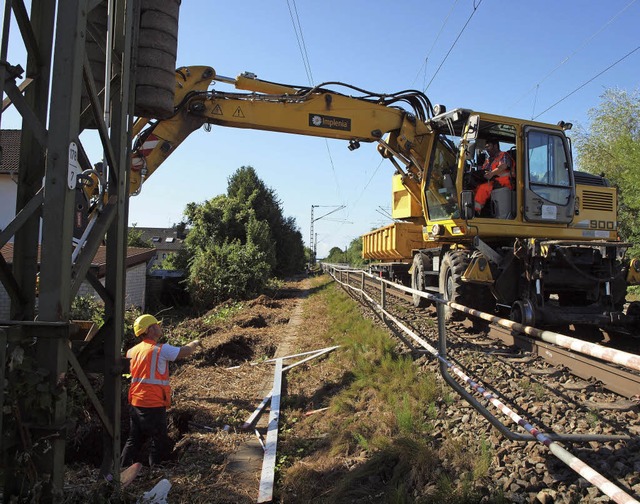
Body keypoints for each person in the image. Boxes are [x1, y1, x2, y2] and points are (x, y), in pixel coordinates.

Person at [121, 314, 202, 467]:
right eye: (156, 325)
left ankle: (122, 469)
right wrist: (195, 343)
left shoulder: (132, 351)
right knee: (158, 439)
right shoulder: (161, 349)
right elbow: (185, 351)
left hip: (136, 402)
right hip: (153, 402)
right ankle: (156, 470)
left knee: (134, 439)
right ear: (150, 329)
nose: (160, 327)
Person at [473, 137, 515, 215]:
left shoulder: (504, 155)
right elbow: (483, 171)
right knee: (476, 187)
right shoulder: (488, 160)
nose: (487, 149)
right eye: (486, 147)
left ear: (495, 146)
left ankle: (476, 211)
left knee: (483, 189)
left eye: (489, 146)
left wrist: (491, 173)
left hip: (504, 182)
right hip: (493, 181)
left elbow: (503, 166)